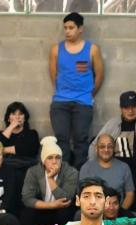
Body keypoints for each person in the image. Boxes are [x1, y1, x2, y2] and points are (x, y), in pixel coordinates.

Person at [49, 12, 104, 169]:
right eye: (65, 28)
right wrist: (62, 92)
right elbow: (54, 76)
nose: (67, 31)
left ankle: (80, 175)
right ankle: (64, 174)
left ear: (80, 29)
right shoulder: (56, 50)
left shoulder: (92, 49)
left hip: (83, 102)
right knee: (61, 139)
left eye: (71, 28)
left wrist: (89, 94)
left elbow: (99, 75)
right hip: (60, 102)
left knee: (81, 140)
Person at [88, 91, 136, 211]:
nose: (130, 111)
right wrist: (94, 165)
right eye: (126, 108)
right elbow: (94, 145)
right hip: (117, 168)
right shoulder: (113, 123)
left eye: (133, 107)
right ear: (121, 109)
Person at [21, 136, 78, 225]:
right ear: (43, 161)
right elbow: (27, 198)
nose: (54, 161)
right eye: (50, 158)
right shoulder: (33, 172)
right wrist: (51, 205)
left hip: (61, 210)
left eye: (58, 157)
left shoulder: (70, 172)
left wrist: (51, 179)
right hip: (42, 207)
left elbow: (66, 199)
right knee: (27, 214)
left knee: (65, 213)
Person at [80, 134, 134, 209]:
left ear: (114, 148)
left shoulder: (124, 167)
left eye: (110, 146)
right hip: (93, 211)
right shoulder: (86, 168)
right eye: (102, 146)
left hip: (116, 212)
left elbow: (130, 194)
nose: (106, 150)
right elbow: (82, 195)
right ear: (96, 148)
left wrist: (120, 212)